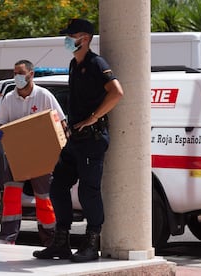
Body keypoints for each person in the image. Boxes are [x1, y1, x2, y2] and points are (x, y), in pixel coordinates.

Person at [33, 18, 124, 262]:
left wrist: (94, 118)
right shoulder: (74, 64)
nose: (67, 40)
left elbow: (117, 92)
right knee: (58, 185)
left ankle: (92, 244)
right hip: (74, 139)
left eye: (71, 36)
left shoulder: (97, 64)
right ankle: (61, 242)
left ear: (84, 38)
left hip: (92, 140)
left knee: (88, 192)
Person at [0, 60, 66, 246]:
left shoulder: (44, 96)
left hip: (42, 157)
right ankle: (7, 237)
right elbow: (0, 126)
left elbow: (61, 123)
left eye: (21, 72)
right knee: (10, 196)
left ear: (31, 74)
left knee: (44, 198)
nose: (17, 76)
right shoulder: (9, 99)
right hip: (16, 157)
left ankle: (50, 239)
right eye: (15, 72)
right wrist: (0, 133)